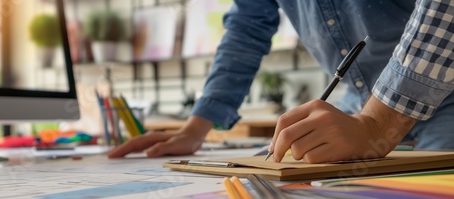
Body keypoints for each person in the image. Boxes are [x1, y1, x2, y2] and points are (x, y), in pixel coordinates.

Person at [109, 0, 454, 163]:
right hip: (358, 103)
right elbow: (246, 29)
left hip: (446, 93)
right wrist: (194, 129)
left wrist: (376, 124)